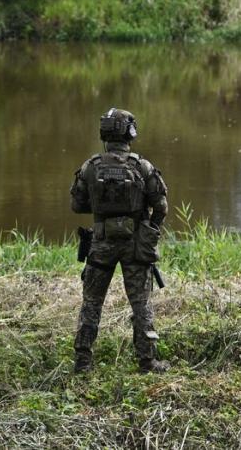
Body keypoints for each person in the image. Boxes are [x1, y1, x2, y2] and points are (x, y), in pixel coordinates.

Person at [69, 108, 169, 373]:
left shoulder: (90, 167)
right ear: (130, 133)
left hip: (101, 244)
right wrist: (150, 230)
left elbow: (77, 205)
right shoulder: (142, 167)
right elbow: (161, 206)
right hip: (136, 245)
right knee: (141, 304)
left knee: (92, 302)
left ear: (105, 133)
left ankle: (82, 361)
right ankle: (147, 361)